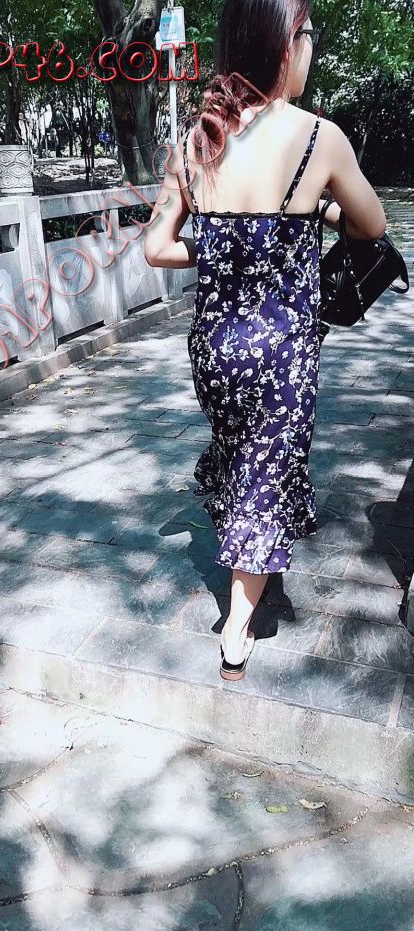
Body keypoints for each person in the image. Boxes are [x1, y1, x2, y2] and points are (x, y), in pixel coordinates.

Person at [144, 0, 386, 681]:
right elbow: (371, 226)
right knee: (262, 470)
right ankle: (237, 625)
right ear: (285, 44)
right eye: (308, 34)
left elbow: (157, 248)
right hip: (281, 350)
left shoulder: (197, 139)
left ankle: (253, 563)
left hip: (213, 349)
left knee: (237, 454)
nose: (311, 47)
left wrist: (222, 248)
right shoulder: (318, 137)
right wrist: (322, 210)